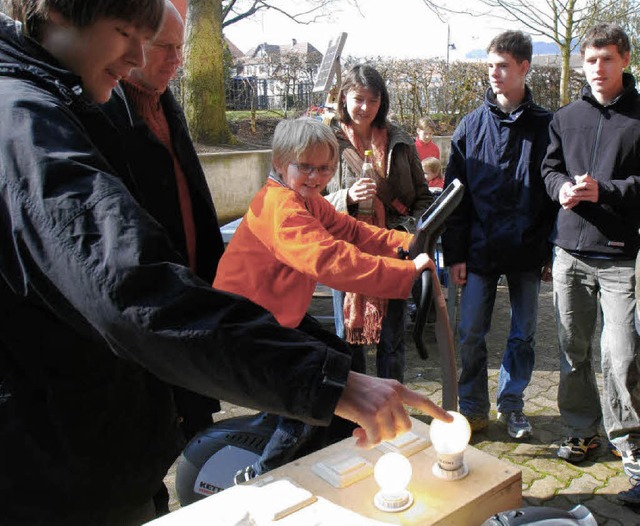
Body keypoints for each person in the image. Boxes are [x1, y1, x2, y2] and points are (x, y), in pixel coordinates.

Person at [0, 2, 451, 524]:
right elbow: (127, 285)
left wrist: (399, 244)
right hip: (62, 460)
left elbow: (346, 230)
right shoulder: (31, 122)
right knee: (324, 377)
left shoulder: (104, 102)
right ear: (58, 11)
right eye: (126, 33)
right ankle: (267, 467)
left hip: (128, 416)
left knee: (331, 363)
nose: (139, 55)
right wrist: (337, 376)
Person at [214, 116, 434, 481]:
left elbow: (351, 231)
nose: (316, 177)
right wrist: (406, 274)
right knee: (315, 385)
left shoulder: (308, 200)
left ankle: (335, 446)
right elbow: (330, 259)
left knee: (340, 357)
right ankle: (262, 474)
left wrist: (408, 244)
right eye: (305, 167)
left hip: (278, 315)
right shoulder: (282, 209)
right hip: (246, 324)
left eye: (325, 168)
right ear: (280, 163)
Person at [100, 1, 221, 516]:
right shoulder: (104, 108)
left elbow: (193, 197)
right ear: (133, 43)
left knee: (200, 431)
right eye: (166, 48)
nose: (177, 60)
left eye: (180, 48)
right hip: (146, 309)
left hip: (190, 296)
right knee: (144, 446)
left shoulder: (166, 102)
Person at [541, 23, 640, 499]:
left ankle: (630, 444)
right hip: (569, 253)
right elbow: (548, 168)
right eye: (591, 59)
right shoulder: (565, 117)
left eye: (607, 59)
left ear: (625, 59)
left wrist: (609, 191)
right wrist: (560, 187)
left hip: (621, 257)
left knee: (620, 357)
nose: (597, 69)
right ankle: (583, 430)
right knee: (571, 351)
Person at [441, 30, 555, 440]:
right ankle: (472, 407)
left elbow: (553, 195)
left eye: (503, 65)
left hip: (527, 252)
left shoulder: (547, 127)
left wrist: (549, 252)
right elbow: (455, 198)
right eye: (490, 65)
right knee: (471, 333)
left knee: (523, 335)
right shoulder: (469, 127)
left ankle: (513, 404)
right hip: (478, 252)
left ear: (524, 67)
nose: (494, 73)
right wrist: (455, 254)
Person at [324, 64, 433, 383]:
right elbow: (306, 200)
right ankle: (358, 416)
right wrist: (346, 197)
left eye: (373, 100)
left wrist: (409, 230)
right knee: (348, 340)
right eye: (358, 99)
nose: (365, 108)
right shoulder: (326, 140)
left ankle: (392, 411)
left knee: (393, 340)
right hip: (344, 252)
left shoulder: (399, 140)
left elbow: (423, 198)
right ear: (344, 97)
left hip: (392, 252)